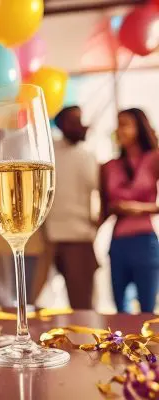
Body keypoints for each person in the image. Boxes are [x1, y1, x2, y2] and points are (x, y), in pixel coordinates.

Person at [100, 108, 159, 313]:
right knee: (119, 310)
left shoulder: (155, 159)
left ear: (139, 127)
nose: (119, 129)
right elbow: (103, 209)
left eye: (125, 124)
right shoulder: (109, 166)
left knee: (147, 310)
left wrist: (138, 208)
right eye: (118, 124)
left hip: (145, 242)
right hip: (117, 244)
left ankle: (150, 347)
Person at [45, 106, 99, 309]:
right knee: (34, 302)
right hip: (46, 239)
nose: (80, 124)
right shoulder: (50, 151)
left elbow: (101, 193)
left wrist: (96, 225)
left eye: (81, 119)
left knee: (81, 304)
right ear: (61, 125)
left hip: (78, 239)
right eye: (74, 120)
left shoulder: (87, 156)